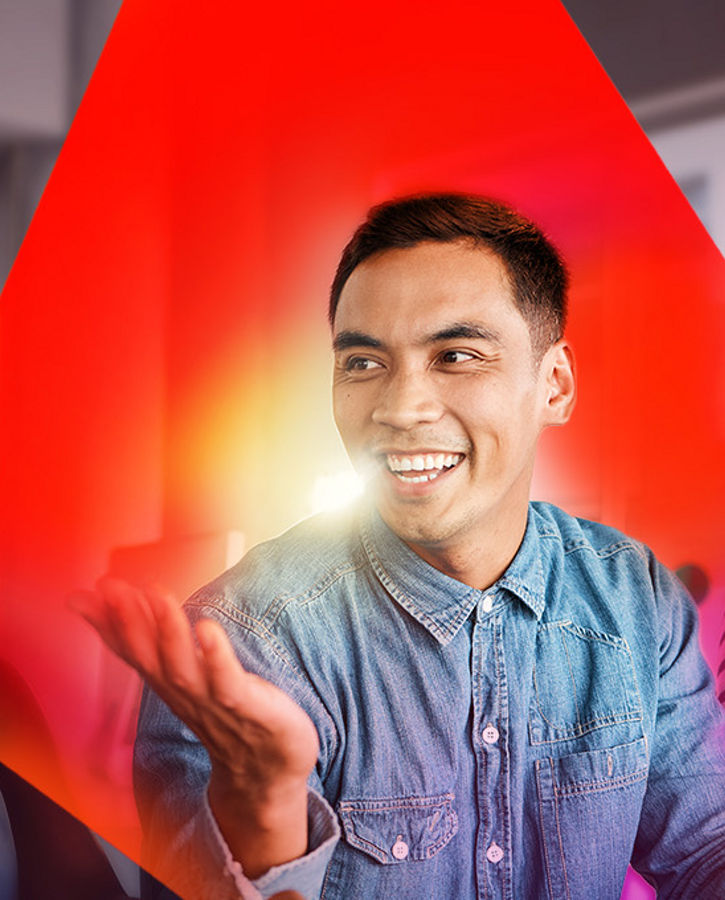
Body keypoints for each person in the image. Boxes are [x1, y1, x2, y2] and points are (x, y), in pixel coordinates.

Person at [74, 194, 725, 899]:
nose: (398, 408)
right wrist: (264, 814)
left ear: (555, 386)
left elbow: (705, 849)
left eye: (455, 356)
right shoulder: (242, 645)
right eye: (362, 362)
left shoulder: (637, 598)